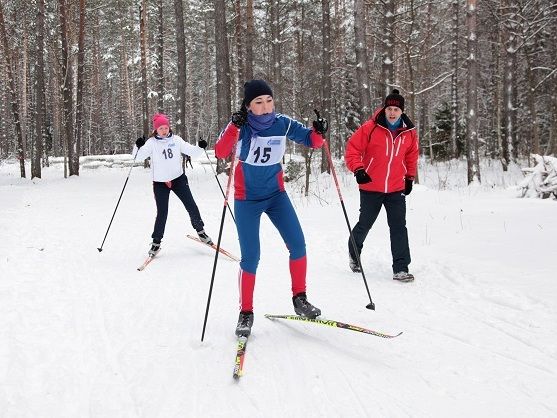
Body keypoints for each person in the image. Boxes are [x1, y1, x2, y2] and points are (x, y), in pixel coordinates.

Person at [211, 79, 328, 337]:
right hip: (246, 200)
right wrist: (233, 127)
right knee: (251, 256)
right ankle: (246, 312)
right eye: (258, 102)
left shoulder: (282, 123)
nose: (265, 107)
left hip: (276, 196)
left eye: (268, 101)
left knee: (298, 244)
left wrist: (319, 131)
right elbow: (220, 151)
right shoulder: (241, 126)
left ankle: (300, 298)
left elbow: (313, 141)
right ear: (248, 106)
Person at [344, 89, 419, 282]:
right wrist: (359, 170)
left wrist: (409, 177)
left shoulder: (409, 133)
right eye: (389, 109)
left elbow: (411, 156)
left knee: (398, 227)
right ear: (384, 109)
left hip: (396, 188)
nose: (392, 112)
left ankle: (401, 268)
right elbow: (353, 149)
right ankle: (354, 252)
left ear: (402, 111)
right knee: (365, 224)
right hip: (371, 186)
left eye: (396, 109)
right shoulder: (370, 128)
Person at [133, 113, 213, 256]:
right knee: (162, 212)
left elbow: (191, 151)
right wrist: (137, 146)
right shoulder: (151, 143)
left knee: (191, 205)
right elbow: (137, 156)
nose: (164, 130)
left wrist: (200, 147)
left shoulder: (176, 140)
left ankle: (201, 232)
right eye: (161, 128)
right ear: (156, 130)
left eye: (166, 127)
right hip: (160, 183)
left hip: (178, 179)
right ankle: (156, 242)